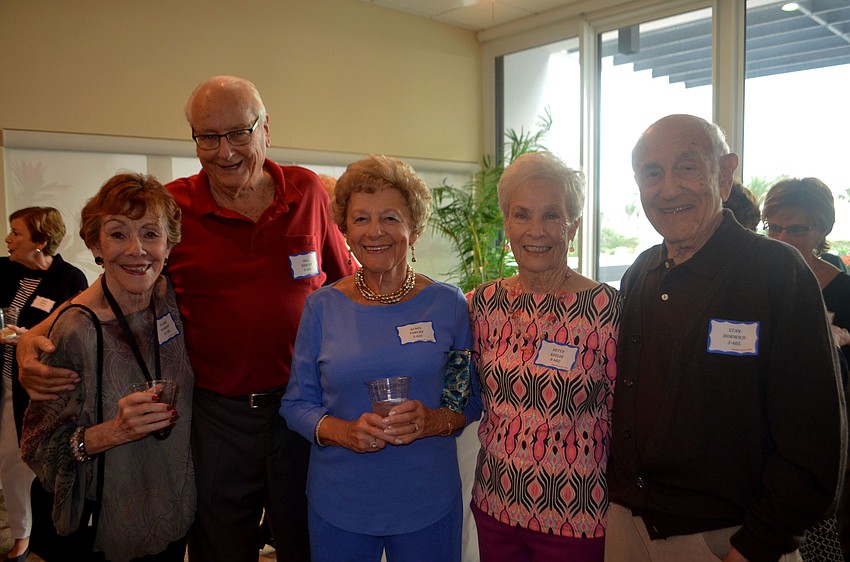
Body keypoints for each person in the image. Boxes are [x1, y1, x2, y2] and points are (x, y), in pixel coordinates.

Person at [17, 75, 356, 562]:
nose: (224, 152)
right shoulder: (174, 207)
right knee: (220, 547)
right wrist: (36, 333)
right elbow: (123, 275)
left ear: (266, 130)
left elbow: (345, 288)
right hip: (216, 418)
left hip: (301, 410)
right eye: (208, 137)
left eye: (239, 133)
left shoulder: (307, 191)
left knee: (308, 541)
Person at [605, 114, 846, 562]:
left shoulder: (777, 273)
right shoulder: (640, 272)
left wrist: (756, 546)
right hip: (627, 528)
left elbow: (815, 440)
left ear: (726, 173)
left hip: (728, 541)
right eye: (651, 173)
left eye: (688, 167)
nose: (669, 188)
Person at [280, 154, 480, 562]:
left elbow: (467, 399)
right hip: (341, 500)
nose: (375, 232)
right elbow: (295, 405)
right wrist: (343, 431)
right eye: (361, 219)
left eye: (390, 218)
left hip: (427, 498)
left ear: (415, 227)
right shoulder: (321, 307)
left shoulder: (448, 304)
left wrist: (432, 421)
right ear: (345, 230)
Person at [20, 173, 194, 562]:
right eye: (118, 234)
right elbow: (37, 448)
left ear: (169, 244)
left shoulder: (173, 304)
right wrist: (110, 433)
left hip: (169, 514)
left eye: (151, 234)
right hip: (102, 526)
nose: (137, 250)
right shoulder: (73, 330)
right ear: (96, 243)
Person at [467, 151, 622, 562]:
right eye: (522, 214)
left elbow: (627, 415)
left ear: (574, 225)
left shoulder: (608, 309)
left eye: (552, 215)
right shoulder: (481, 304)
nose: (536, 230)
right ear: (506, 224)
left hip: (578, 514)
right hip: (496, 503)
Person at [762, 177, 850, 562]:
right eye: (773, 227)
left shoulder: (843, 291)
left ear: (822, 230)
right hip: (764, 429)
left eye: (796, 229)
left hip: (825, 431)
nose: (782, 237)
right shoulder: (753, 282)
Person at [1, 207, 88, 561]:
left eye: (16, 233)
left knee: (22, 460)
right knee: (8, 461)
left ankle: (33, 536)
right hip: (4, 380)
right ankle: (22, 532)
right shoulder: (2, 271)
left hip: (38, 390)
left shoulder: (70, 279)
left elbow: (75, 333)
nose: (8, 239)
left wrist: (30, 336)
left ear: (39, 240)